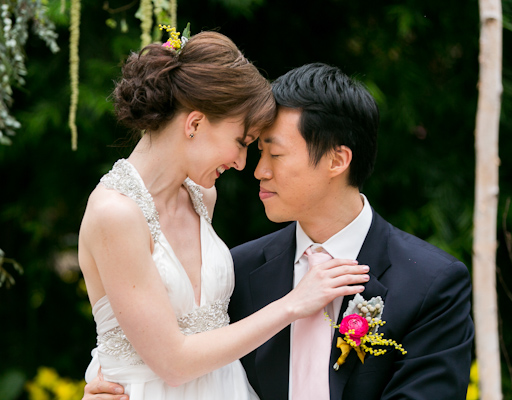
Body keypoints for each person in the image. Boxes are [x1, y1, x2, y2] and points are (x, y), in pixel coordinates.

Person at [83, 62, 474, 400]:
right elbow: (172, 343)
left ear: (337, 160)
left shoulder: (431, 285)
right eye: (255, 150)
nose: (256, 170)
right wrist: (111, 380)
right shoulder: (240, 271)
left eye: (276, 153)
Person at [78, 30, 370, 400]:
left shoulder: (202, 195)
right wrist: (294, 303)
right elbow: (172, 363)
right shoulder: (114, 213)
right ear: (195, 124)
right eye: (241, 143)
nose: (242, 163)